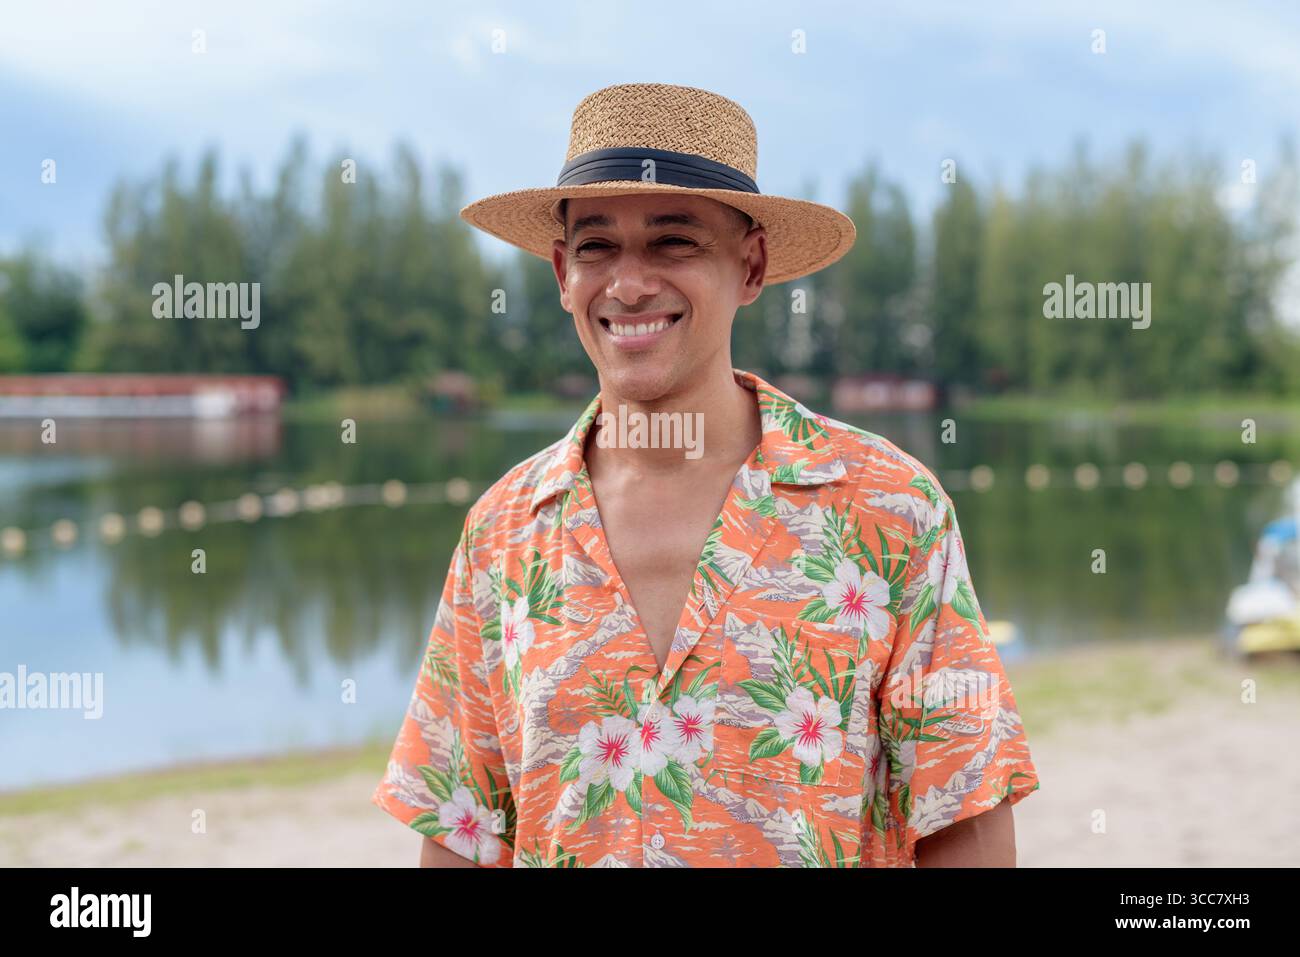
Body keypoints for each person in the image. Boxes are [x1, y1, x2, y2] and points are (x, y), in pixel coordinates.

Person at [372, 82, 1039, 867]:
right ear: (561, 272)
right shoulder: (501, 533)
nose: (628, 284)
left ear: (750, 265)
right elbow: (462, 830)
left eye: (673, 241)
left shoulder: (891, 509)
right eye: (596, 246)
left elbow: (964, 813)